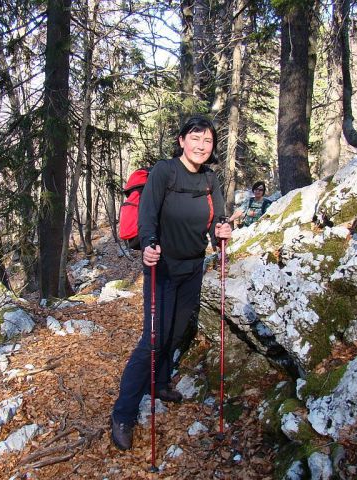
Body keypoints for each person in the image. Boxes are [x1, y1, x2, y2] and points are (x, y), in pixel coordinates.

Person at [111, 115, 232, 451]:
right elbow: (148, 215)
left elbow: (216, 222)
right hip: (161, 267)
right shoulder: (165, 171)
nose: (201, 146)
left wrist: (221, 233)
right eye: (195, 138)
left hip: (193, 267)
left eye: (207, 141)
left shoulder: (210, 178)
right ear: (182, 140)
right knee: (153, 339)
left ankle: (160, 382)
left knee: (176, 331)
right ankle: (122, 414)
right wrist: (148, 245)